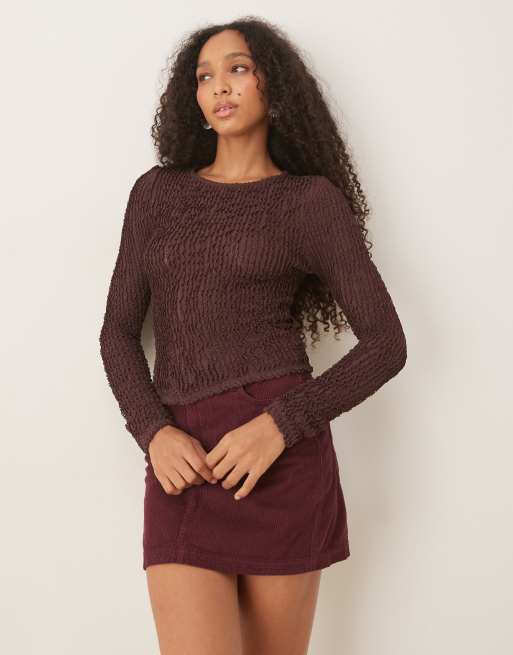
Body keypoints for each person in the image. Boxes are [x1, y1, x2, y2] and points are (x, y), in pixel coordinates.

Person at [99, 18, 407, 655]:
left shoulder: (309, 202)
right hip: (183, 465)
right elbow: (117, 333)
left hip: (279, 462)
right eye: (204, 76)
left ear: (274, 85)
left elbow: (385, 343)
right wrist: (153, 431)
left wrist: (280, 426)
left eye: (238, 68)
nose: (220, 86)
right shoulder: (157, 195)